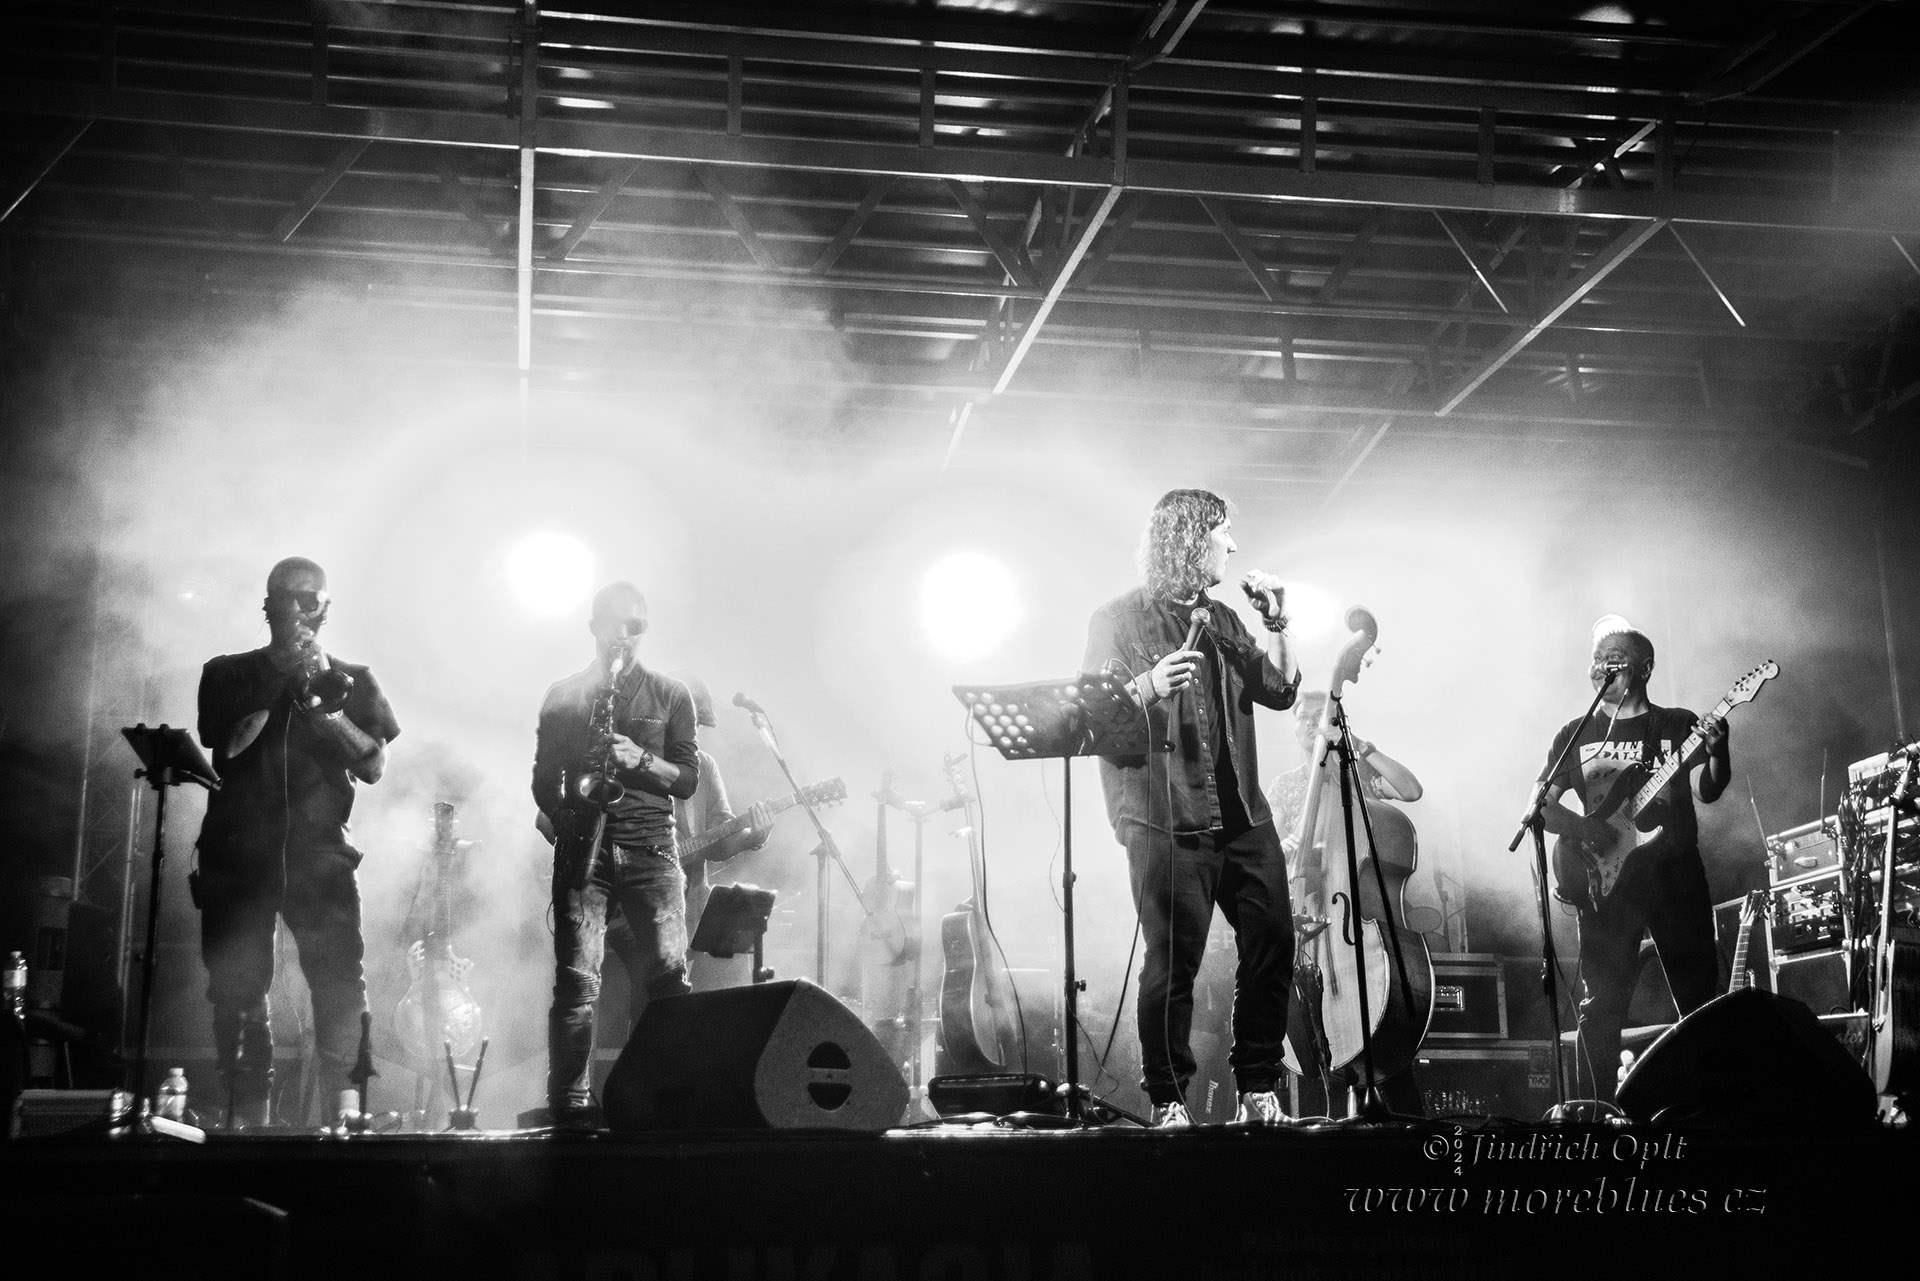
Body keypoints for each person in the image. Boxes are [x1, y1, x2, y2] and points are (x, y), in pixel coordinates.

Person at [1082, 488, 1301, 1127]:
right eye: (1224, 533)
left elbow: (1282, 692)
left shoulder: (1227, 619)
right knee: (1174, 961)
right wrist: (1148, 686)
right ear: (1191, 538)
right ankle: (1170, 1098)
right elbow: (1090, 718)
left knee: (1273, 941)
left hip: (1241, 817)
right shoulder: (1117, 621)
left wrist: (1278, 623)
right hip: (1164, 814)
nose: (1233, 546)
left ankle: (1259, 1086)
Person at [192, 556, 400, 1127]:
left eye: (310, 599)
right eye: (285, 598)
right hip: (238, 851)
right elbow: (228, 743)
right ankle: (246, 1119)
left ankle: (347, 1113)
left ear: (326, 608)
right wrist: (280, 675)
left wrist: (319, 703)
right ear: (267, 606)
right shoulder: (227, 673)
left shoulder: (354, 678)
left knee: (339, 984)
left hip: (321, 852)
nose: (298, 609)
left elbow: (374, 764)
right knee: (237, 986)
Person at [1540, 614, 1729, 1105]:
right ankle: (1598, 1112)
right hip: (1605, 882)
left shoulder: (1675, 724)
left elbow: (1709, 790)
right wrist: (1588, 828)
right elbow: (1543, 807)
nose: (1603, 670)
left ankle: (1705, 1109)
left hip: (1674, 875)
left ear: (1644, 668)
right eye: (1597, 663)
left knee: (1697, 996)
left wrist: (1718, 752)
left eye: (1615, 662)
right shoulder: (1574, 733)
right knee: (1600, 1006)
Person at [531, 581, 699, 1130]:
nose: (627, 636)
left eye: (639, 626)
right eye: (618, 624)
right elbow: (542, 780)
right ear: (595, 627)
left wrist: (640, 758)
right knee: (578, 985)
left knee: (669, 986)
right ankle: (571, 1109)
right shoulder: (564, 694)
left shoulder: (672, 694)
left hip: (651, 851)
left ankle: (656, 1103)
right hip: (588, 854)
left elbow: (688, 779)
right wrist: (565, 824)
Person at [1266, 691, 1426, 1116]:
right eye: (1303, 718)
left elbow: (1410, 791)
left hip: (1353, 926)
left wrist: (1363, 748)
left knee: (1384, 1041)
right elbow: (1269, 851)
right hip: (1308, 924)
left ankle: (1412, 1134)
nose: (1310, 725)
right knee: (1317, 1042)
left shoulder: (1358, 774)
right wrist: (1285, 847)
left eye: (1320, 717)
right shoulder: (1284, 787)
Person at [607, 671, 773, 1012]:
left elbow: (718, 839)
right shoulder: (628, 759)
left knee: (669, 1009)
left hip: (684, 912)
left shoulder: (704, 767)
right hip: (630, 909)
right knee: (655, 1002)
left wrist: (751, 839)